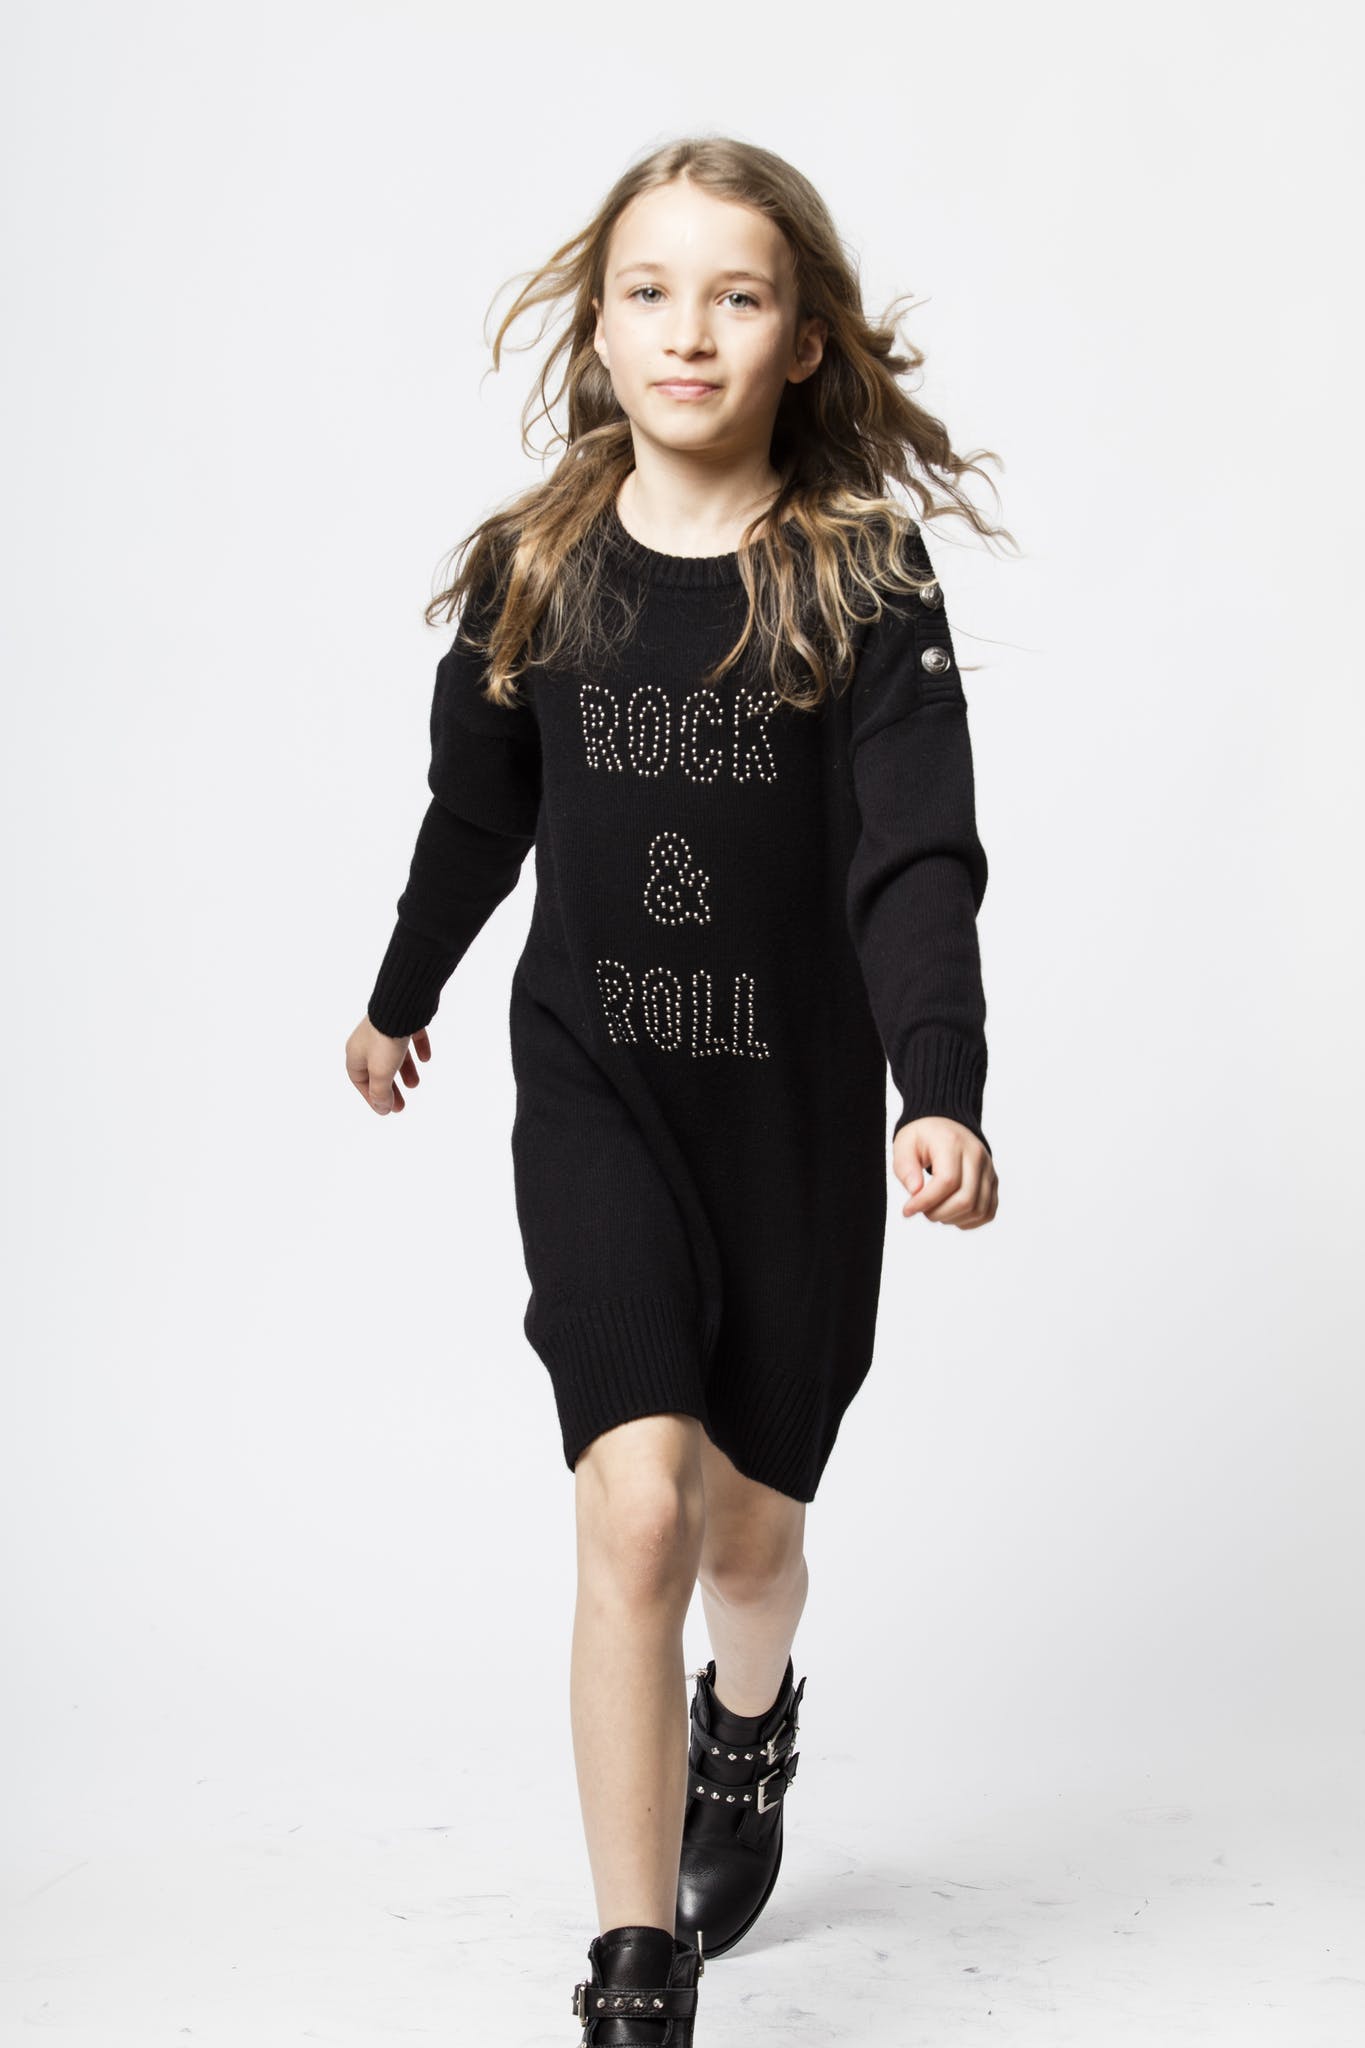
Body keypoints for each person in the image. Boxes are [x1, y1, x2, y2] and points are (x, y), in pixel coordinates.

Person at [345, 135, 1008, 2047]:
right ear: (599, 322)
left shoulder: (860, 577)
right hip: (600, 1093)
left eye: (736, 295)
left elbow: (914, 855)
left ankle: (749, 1721)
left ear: (801, 338)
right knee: (636, 1509)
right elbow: (477, 817)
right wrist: (399, 995)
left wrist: (938, 1082)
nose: (688, 331)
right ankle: (635, 1970)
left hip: (790, 1116)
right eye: (649, 290)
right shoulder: (535, 570)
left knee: (746, 1538)